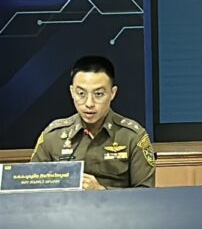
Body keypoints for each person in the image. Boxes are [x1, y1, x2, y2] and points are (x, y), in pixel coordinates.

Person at [30, 56, 154, 189]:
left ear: (112, 93)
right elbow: (31, 188)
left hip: (113, 203)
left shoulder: (133, 137)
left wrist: (101, 191)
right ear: (72, 92)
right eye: (81, 93)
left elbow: (146, 194)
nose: (89, 103)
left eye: (98, 94)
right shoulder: (52, 136)